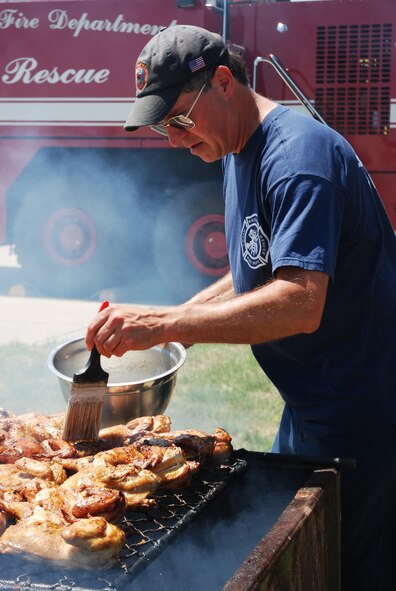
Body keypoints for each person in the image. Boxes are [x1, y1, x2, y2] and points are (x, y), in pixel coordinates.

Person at [85, 25, 396, 590]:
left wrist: (164, 324)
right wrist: (177, 328)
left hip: (367, 417)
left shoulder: (298, 156)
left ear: (222, 82)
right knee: (297, 557)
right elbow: (257, 269)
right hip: (310, 407)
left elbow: (301, 301)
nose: (174, 140)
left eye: (178, 119)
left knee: (346, 573)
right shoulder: (235, 148)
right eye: (162, 127)